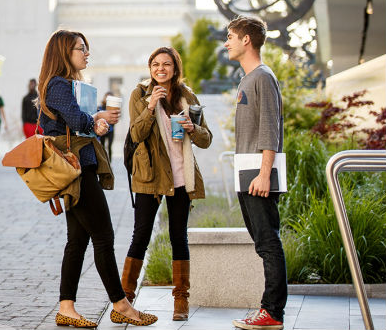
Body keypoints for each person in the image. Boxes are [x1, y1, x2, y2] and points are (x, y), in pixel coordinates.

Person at [37, 29, 157, 328]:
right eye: (81, 48)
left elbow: (75, 121)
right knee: (104, 236)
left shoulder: (68, 85)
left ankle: (66, 307)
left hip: (79, 167)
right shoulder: (58, 85)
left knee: (77, 241)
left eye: (86, 48)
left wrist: (97, 118)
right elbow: (77, 121)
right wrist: (98, 119)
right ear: (64, 52)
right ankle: (121, 306)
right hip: (75, 170)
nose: (86, 53)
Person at [120, 47, 213, 321]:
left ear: (175, 68)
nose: (161, 69)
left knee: (178, 237)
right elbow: (136, 133)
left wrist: (192, 128)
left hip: (182, 176)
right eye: (156, 64)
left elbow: (206, 139)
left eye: (167, 64)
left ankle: (181, 301)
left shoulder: (188, 97)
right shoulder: (140, 94)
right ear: (150, 68)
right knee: (141, 236)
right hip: (149, 176)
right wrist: (151, 106)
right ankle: (125, 299)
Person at [226, 16, 287, 330]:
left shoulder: (262, 77)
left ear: (246, 40)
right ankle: (268, 309)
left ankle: (273, 312)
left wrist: (264, 175)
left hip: (257, 175)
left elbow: (269, 129)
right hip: (246, 173)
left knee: (268, 242)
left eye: (231, 37)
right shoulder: (248, 78)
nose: (227, 42)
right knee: (263, 242)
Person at [98, 92, 116, 160]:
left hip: (110, 130)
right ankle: (104, 160)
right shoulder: (101, 107)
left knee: (109, 147)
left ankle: (110, 162)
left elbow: (114, 120)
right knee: (102, 147)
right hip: (103, 130)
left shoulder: (113, 108)